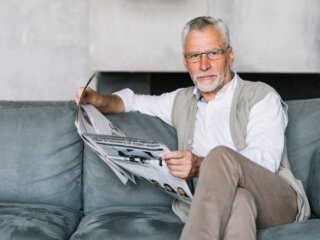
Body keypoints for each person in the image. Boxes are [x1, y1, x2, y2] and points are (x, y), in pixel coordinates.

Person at [75, 16, 310, 240]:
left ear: (230, 55)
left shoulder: (261, 96)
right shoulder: (180, 100)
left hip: (277, 200)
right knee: (240, 200)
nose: (204, 64)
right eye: (195, 55)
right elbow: (134, 101)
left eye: (213, 53)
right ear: (185, 61)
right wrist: (100, 101)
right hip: (224, 200)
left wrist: (201, 164)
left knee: (220, 156)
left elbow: (265, 160)